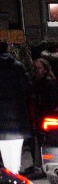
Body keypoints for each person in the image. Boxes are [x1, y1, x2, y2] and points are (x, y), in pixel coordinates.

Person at [0, 41, 32, 174]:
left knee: (3, 147)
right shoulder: (17, 66)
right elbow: (27, 88)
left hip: (1, 118)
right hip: (16, 115)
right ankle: (15, 174)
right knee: (15, 149)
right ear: (8, 49)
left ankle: (8, 173)